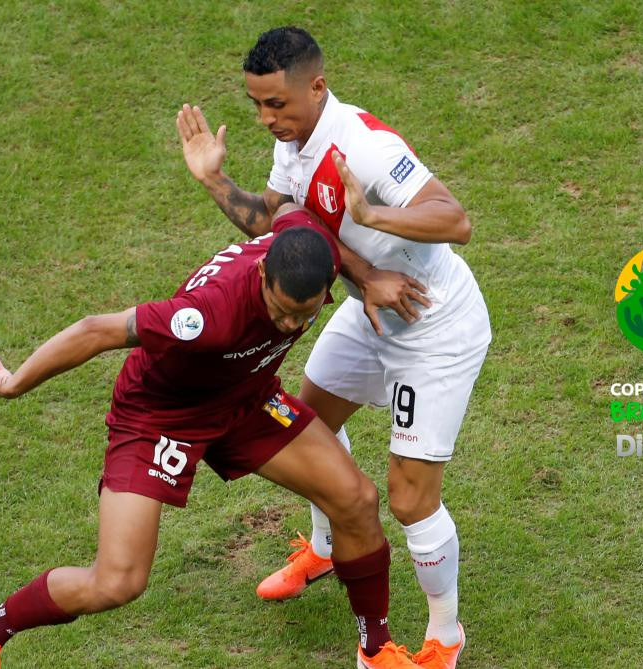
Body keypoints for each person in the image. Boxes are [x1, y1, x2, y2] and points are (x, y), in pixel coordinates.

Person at [0, 204, 423, 669]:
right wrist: (14, 384)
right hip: (161, 416)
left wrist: (365, 276)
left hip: (245, 398)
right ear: (261, 273)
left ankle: (376, 652)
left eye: (304, 314)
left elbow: (289, 209)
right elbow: (97, 331)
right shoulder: (206, 317)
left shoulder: (311, 249)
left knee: (356, 499)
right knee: (117, 582)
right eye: (280, 313)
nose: (291, 326)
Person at [177, 26, 491, 669]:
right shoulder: (294, 145)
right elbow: (277, 222)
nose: (267, 119)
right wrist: (214, 181)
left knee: (408, 498)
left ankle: (444, 639)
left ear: (316, 87)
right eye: (257, 105)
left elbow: (454, 219)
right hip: (370, 313)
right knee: (307, 431)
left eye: (277, 105)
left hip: (434, 328)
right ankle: (325, 548)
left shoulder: (365, 148)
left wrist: (375, 217)